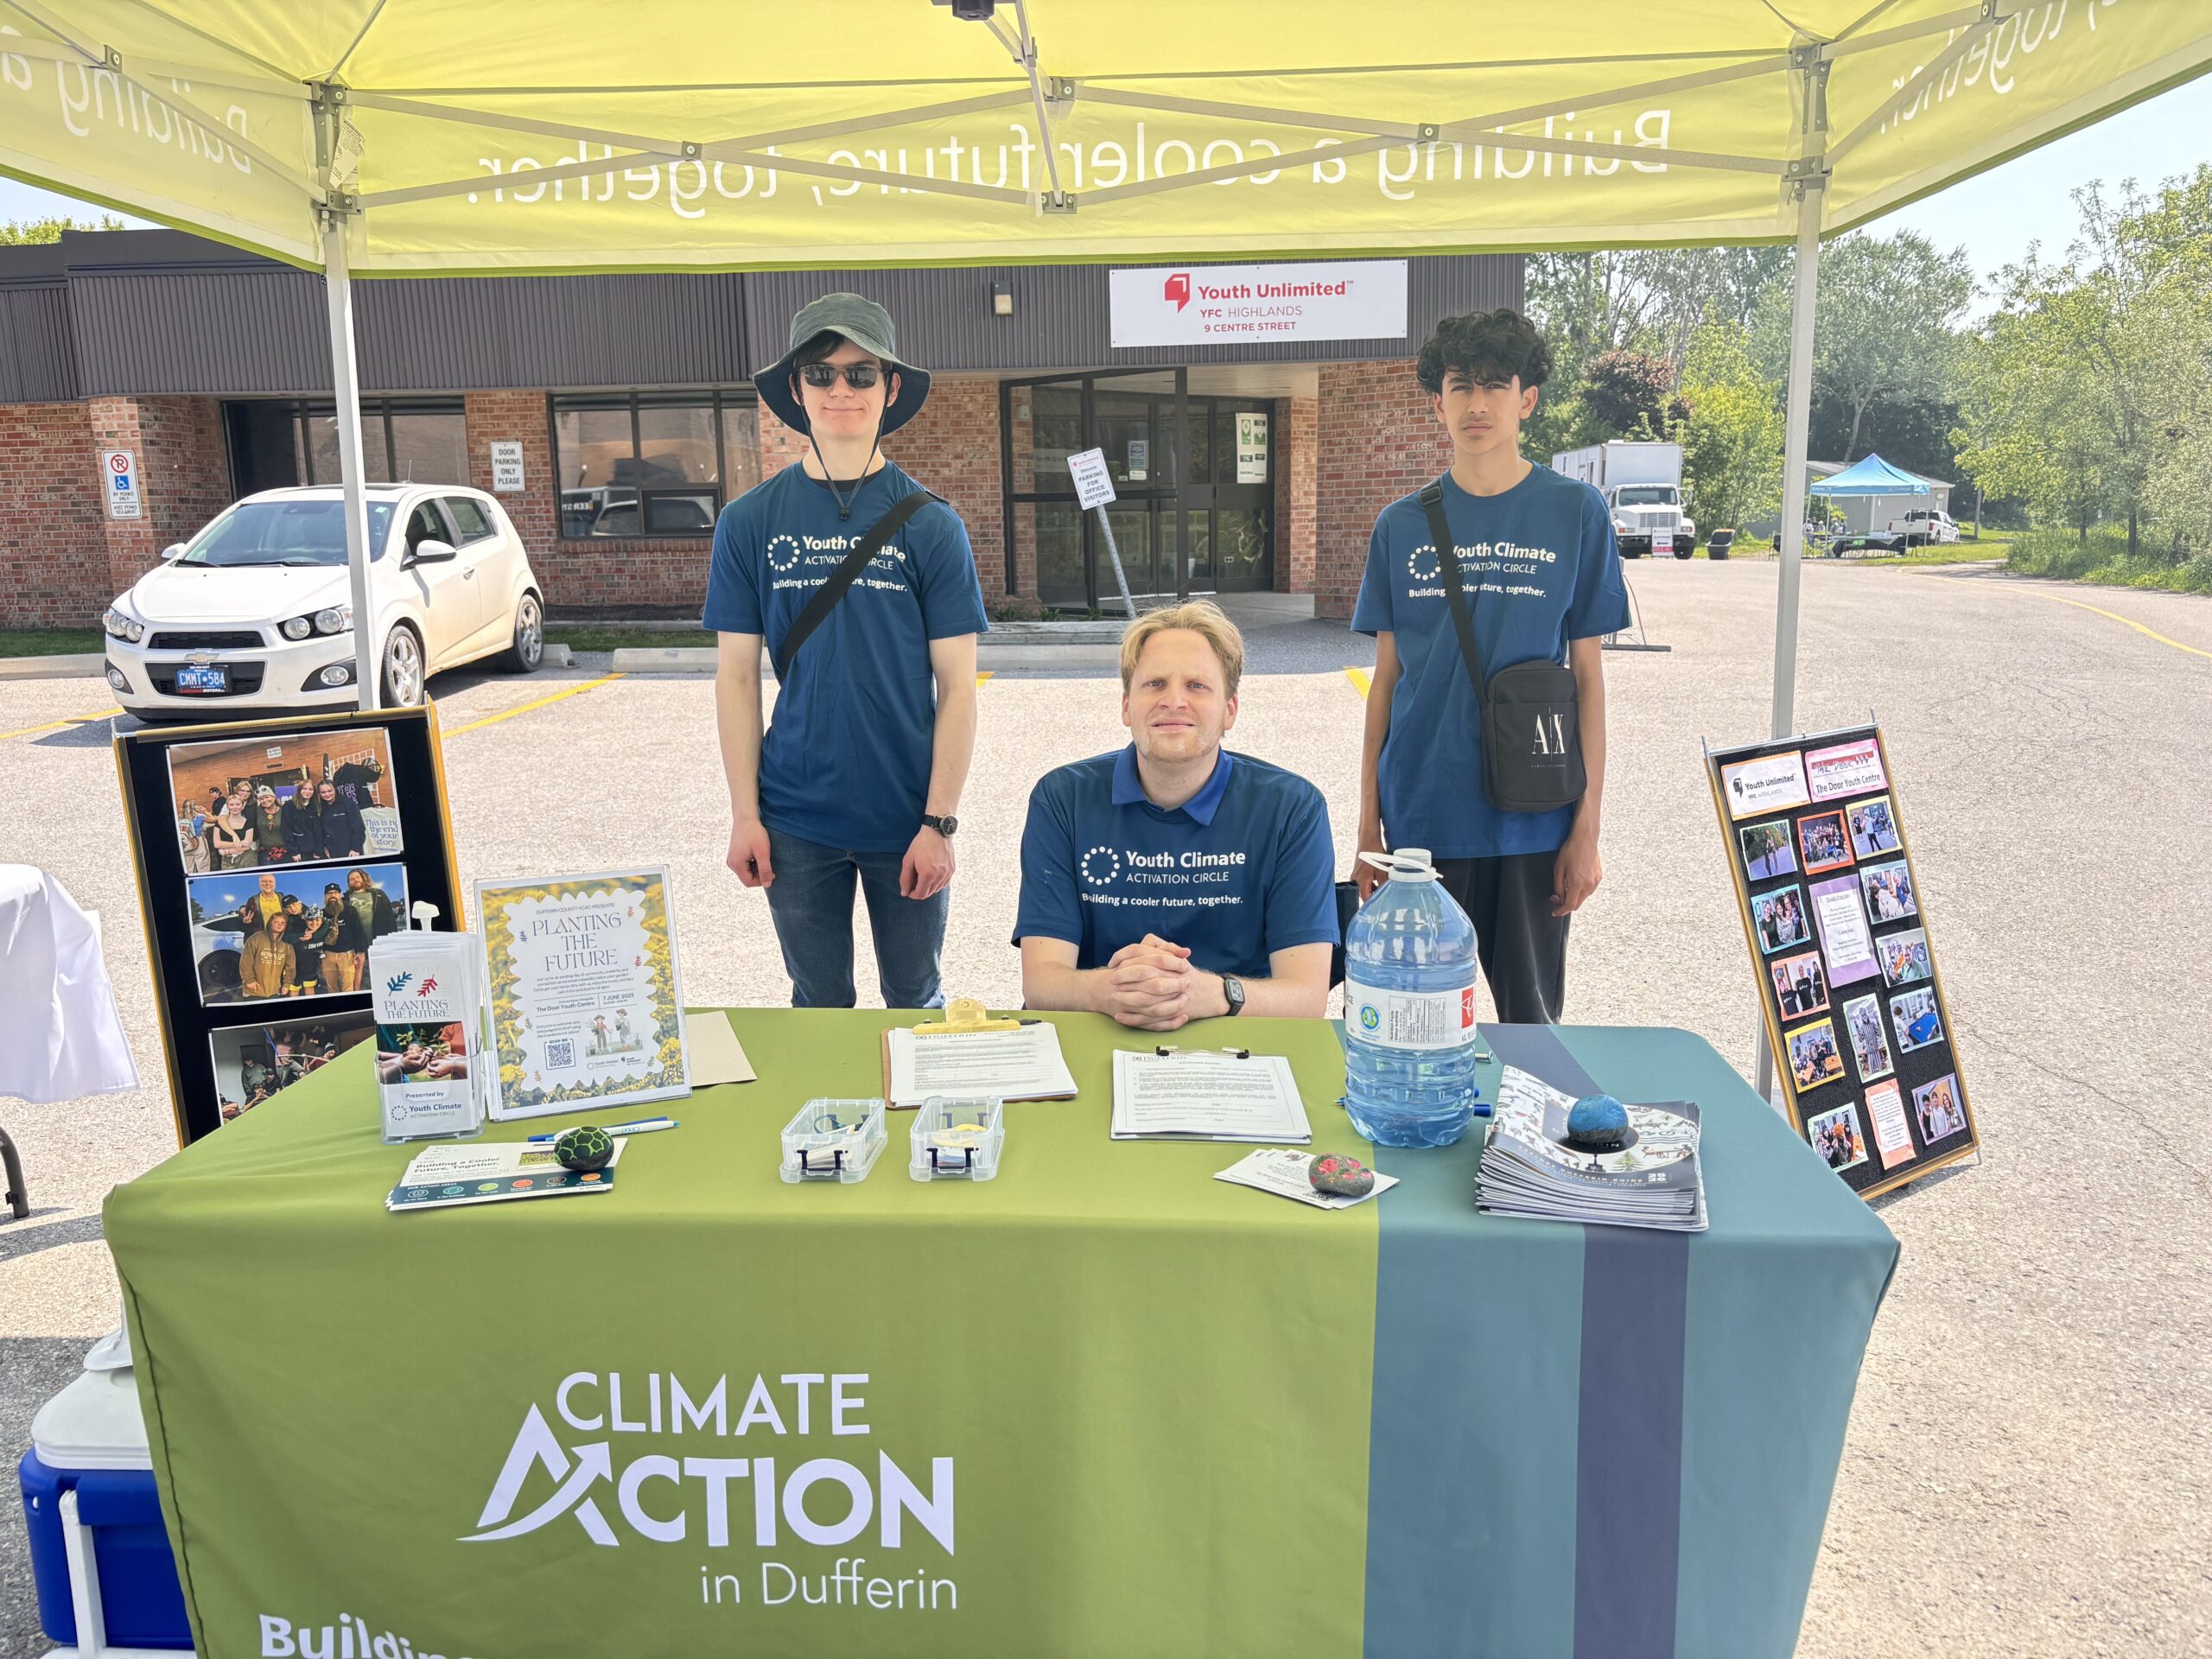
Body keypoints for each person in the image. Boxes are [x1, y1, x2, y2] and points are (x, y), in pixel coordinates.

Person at [707, 293, 987, 1010]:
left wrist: (939, 823)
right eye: (822, 373)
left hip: (906, 819)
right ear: (795, 390)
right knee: (818, 1005)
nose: (841, 390)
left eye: (862, 374)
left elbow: (958, 687)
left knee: (916, 998)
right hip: (795, 818)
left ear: (890, 389)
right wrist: (746, 815)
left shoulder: (932, 525)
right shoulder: (749, 522)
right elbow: (737, 680)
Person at [1351, 308, 1629, 1024]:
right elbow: (1386, 684)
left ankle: (1521, 1141)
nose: (1477, 404)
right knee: (1416, 1025)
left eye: (1495, 386)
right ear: (1436, 402)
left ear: (1526, 398)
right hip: (1422, 817)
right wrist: (1366, 833)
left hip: (1531, 822)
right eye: (1459, 386)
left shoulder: (1576, 513)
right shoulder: (1399, 524)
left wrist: (1586, 828)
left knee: (1533, 1030)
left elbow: (1589, 680)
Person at [1015, 603, 1337, 1029]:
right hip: (1096, 1028)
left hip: (1240, 1039)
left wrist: (1212, 993)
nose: (1174, 701)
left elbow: (1307, 996)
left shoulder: (1293, 809)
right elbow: (1042, 983)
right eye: (1155, 683)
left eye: (1198, 685)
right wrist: (1116, 989)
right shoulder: (1061, 799)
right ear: (1127, 706)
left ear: (1229, 711)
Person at [238, 909, 296, 999]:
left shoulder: (287, 944)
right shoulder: (256, 938)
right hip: (254, 989)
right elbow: (246, 962)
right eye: (276, 921)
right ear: (270, 922)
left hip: (275, 990)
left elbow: (291, 966)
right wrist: (249, 980)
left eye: (283, 922)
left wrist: (287, 983)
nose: (280, 924)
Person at [321, 883, 367, 991]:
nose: (332, 895)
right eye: (329, 893)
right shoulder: (322, 914)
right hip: (328, 955)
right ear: (325, 896)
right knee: (331, 986)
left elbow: (359, 931)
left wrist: (361, 951)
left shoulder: (350, 911)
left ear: (340, 895)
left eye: (335, 893)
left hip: (347, 955)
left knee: (348, 987)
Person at [343, 867, 399, 946]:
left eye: (357, 877)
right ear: (349, 883)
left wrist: (394, 940)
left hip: (378, 942)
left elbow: (390, 918)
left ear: (363, 878)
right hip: (355, 945)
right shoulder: (345, 900)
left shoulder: (378, 894)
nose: (355, 879)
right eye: (352, 879)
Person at [315, 779, 367, 859]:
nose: (327, 794)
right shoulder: (320, 807)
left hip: (351, 850)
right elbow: (321, 831)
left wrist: (356, 849)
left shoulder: (348, 803)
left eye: (330, 791)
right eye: (323, 792)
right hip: (330, 851)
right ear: (319, 793)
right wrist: (323, 847)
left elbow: (359, 828)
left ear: (335, 790)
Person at [281, 785, 323, 865]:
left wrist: (319, 849)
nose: (307, 791)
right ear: (299, 790)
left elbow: (319, 830)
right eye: (304, 789)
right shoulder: (289, 805)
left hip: (314, 851)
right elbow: (286, 829)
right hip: (298, 852)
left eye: (310, 789)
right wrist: (294, 851)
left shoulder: (316, 805)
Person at [248, 784, 289, 864]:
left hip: (285, 850)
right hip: (265, 852)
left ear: (273, 797)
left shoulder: (284, 810)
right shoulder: (258, 811)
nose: (265, 800)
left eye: (267, 797)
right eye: (261, 799)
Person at [212, 800, 255, 869]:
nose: (235, 807)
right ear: (227, 807)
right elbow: (217, 844)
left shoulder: (249, 822)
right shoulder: (219, 823)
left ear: (242, 806)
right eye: (231, 805)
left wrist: (227, 851)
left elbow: (248, 844)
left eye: (238, 804)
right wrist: (241, 844)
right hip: (227, 861)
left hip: (247, 859)